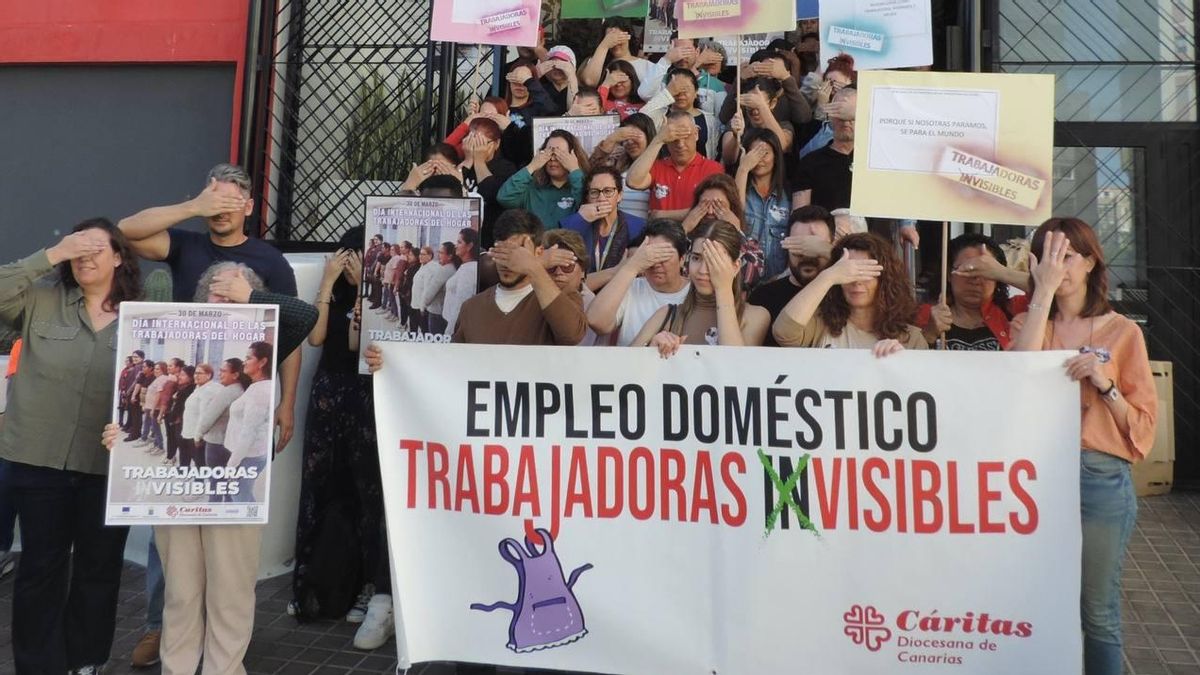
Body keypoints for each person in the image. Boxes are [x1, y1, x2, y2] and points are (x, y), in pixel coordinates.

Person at [114, 261, 316, 675]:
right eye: (216, 293)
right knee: (181, 591)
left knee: (230, 591)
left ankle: (223, 669)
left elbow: (305, 316)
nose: (223, 301)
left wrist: (251, 299)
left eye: (232, 293)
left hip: (232, 476)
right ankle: (178, 668)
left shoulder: (263, 344)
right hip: (187, 480)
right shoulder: (189, 332)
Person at [1010, 218, 1156, 675]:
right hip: (1033, 478)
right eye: (1044, 257)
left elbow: (1143, 428)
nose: (1055, 266)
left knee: (1096, 608)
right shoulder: (1028, 322)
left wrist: (1105, 384)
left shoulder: (1123, 332)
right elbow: (1016, 376)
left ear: (1091, 262)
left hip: (1099, 477)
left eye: (1067, 256)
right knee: (1041, 602)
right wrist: (1043, 293)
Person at [0, 218, 143, 674]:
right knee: (40, 568)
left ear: (118, 257)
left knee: (99, 570)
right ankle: (37, 665)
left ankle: (85, 661)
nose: (85, 254)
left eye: (96, 246)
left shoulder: (143, 317)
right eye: (77, 246)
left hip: (109, 465)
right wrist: (51, 254)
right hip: (39, 460)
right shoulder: (41, 299)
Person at [116, 162, 300, 455]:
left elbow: (292, 332)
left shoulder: (272, 261)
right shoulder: (184, 245)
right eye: (216, 201)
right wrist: (193, 207)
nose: (221, 210)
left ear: (248, 207)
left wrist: (287, 403)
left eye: (231, 202)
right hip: (194, 383)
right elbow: (124, 231)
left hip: (246, 389)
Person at [294, 228, 392, 649]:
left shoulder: (378, 296)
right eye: (346, 254)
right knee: (321, 484)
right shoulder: (333, 292)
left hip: (365, 394)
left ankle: (371, 585)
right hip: (328, 392)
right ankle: (314, 582)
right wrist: (327, 282)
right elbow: (316, 337)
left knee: (368, 492)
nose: (350, 261)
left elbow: (359, 344)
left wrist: (363, 290)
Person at [630, 219, 771, 354]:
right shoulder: (667, 315)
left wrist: (723, 289)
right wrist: (650, 350)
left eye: (714, 260)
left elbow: (734, 364)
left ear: (735, 267)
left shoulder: (755, 316)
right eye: (696, 258)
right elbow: (626, 363)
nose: (702, 270)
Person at [773, 232, 927, 353]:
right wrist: (828, 277)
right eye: (848, 272)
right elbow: (784, 334)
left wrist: (899, 361)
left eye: (865, 272)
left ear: (885, 279)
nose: (857, 281)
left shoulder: (911, 338)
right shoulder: (821, 323)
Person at [451, 209, 587, 345]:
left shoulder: (564, 296)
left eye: (518, 253)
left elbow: (572, 335)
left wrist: (534, 268)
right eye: (502, 252)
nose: (509, 262)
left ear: (538, 252)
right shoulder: (471, 308)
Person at [587, 218, 692, 346]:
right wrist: (632, 267)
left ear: (682, 259)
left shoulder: (695, 292)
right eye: (650, 256)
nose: (656, 264)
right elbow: (596, 321)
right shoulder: (631, 287)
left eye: (663, 256)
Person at [918, 233, 1031, 350]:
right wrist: (929, 333)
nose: (975, 280)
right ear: (948, 274)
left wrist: (1003, 273)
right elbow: (909, 356)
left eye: (984, 271)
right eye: (966, 270)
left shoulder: (1013, 310)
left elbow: (1043, 289)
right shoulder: (927, 315)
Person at [749, 206, 836, 347]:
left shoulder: (846, 292)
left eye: (815, 246)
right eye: (798, 245)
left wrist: (831, 253)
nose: (807, 254)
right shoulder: (763, 297)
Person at [626, 110, 724, 221]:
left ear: (696, 134)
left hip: (695, 232)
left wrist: (660, 215)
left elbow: (711, 211)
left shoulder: (713, 169)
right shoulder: (658, 167)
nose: (680, 145)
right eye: (674, 139)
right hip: (660, 232)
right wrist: (658, 140)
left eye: (686, 137)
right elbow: (633, 182)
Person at [559, 167, 646, 287]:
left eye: (608, 191)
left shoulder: (638, 227)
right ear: (587, 197)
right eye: (594, 192)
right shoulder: (576, 223)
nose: (601, 198)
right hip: (580, 294)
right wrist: (580, 219)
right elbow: (566, 279)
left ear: (620, 195)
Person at [497, 129, 588, 231]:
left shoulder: (581, 183)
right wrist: (532, 166)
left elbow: (588, 204)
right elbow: (504, 198)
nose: (552, 159)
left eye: (560, 154)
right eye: (548, 153)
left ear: (574, 157)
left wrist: (574, 170)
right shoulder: (531, 187)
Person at [734, 129, 792, 280]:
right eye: (754, 153)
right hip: (743, 280)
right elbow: (734, 218)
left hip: (777, 280)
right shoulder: (740, 188)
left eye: (764, 153)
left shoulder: (789, 195)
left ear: (776, 157)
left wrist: (784, 277)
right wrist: (743, 169)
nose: (759, 159)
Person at [224, 342, 274, 502]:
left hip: (248, 456)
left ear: (263, 362)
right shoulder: (257, 387)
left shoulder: (261, 391)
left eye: (248, 358)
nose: (244, 362)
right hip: (246, 454)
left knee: (241, 498)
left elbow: (249, 432)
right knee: (240, 496)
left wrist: (232, 465)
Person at [457, 116, 517, 248]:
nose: (476, 148)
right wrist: (467, 161)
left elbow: (492, 194)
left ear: (496, 143)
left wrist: (479, 162)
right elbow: (452, 191)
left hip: (491, 235)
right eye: (472, 143)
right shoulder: (463, 165)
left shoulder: (506, 168)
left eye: (481, 144)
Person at [588, 113, 657, 220]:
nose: (629, 142)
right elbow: (590, 175)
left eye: (635, 136)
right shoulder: (617, 165)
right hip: (617, 227)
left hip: (648, 228)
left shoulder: (661, 167)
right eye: (625, 138)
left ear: (648, 135)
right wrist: (611, 139)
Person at [640, 68, 721, 159]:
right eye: (675, 88)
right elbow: (641, 119)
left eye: (685, 89)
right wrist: (668, 93)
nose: (680, 93)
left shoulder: (710, 121)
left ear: (696, 92)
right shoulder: (659, 116)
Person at [497, 59, 560, 168]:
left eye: (523, 81)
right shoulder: (500, 107)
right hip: (502, 166)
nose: (519, 85)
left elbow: (552, 111)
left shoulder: (538, 109)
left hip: (529, 165)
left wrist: (529, 81)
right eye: (515, 79)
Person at [542, 230, 599, 346]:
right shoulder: (530, 294)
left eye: (567, 266)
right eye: (551, 266)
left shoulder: (594, 306)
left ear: (583, 270)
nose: (558, 272)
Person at [579, 19, 652, 88]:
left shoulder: (647, 66)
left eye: (619, 37)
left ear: (629, 36)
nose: (615, 42)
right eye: (610, 38)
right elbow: (589, 81)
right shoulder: (595, 62)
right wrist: (604, 46)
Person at [442, 228, 479, 335]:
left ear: (469, 246)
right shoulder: (465, 267)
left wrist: (449, 332)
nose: (455, 245)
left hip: (454, 327)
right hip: (451, 322)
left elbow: (461, 305)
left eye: (459, 242)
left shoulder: (469, 270)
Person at [444, 96, 509, 157]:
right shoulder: (472, 143)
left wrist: (509, 127)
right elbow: (443, 152)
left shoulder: (506, 144)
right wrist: (468, 122)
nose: (486, 122)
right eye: (482, 116)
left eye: (492, 117)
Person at [180, 364, 216, 469]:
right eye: (195, 373)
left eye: (199, 373)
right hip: (188, 430)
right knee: (191, 459)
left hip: (196, 434)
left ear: (209, 375)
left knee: (200, 463)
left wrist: (198, 436)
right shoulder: (199, 388)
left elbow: (204, 415)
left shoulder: (208, 391)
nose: (196, 376)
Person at [420, 242, 458, 335]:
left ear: (449, 256)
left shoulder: (444, 270)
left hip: (436, 312)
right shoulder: (454, 268)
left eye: (441, 253)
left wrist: (423, 305)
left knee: (434, 339)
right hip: (445, 311)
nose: (438, 255)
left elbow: (431, 290)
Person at [163, 364, 195, 468]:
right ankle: (182, 466)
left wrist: (173, 419)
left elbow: (180, 407)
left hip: (182, 422)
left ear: (190, 377)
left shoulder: (188, 390)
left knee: (184, 446)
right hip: (179, 421)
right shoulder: (183, 388)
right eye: (180, 374)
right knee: (182, 446)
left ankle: (184, 468)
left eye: (183, 375)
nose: (179, 377)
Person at [410, 246, 437, 333]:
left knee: (424, 329)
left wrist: (422, 307)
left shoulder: (431, 268)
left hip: (421, 306)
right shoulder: (423, 265)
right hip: (415, 302)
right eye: (420, 254)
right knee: (414, 326)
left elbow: (427, 289)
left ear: (430, 256)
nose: (420, 256)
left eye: (423, 254)